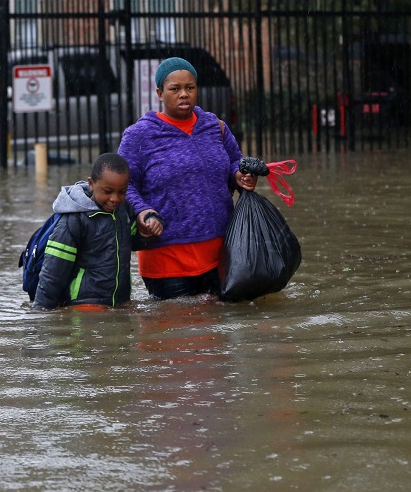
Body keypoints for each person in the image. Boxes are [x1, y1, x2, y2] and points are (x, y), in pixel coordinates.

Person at [117, 56, 258, 300]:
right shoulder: (139, 135)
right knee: (179, 332)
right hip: (166, 260)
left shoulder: (215, 126)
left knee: (217, 333)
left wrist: (240, 176)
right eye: (175, 89)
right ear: (160, 93)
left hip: (221, 255)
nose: (184, 94)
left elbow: (235, 161)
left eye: (190, 88)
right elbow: (124, 185)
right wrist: (142, 211)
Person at [32, 153, 136, 310]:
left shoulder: (124, 210)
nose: (115, 198)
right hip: (84, 304)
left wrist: (150, 226)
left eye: (121, 192)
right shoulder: (73, 220)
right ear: (91, 184)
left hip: (119, 302)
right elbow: (53, 272)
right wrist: (41, 310)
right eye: (108, 191)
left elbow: (136, 241)